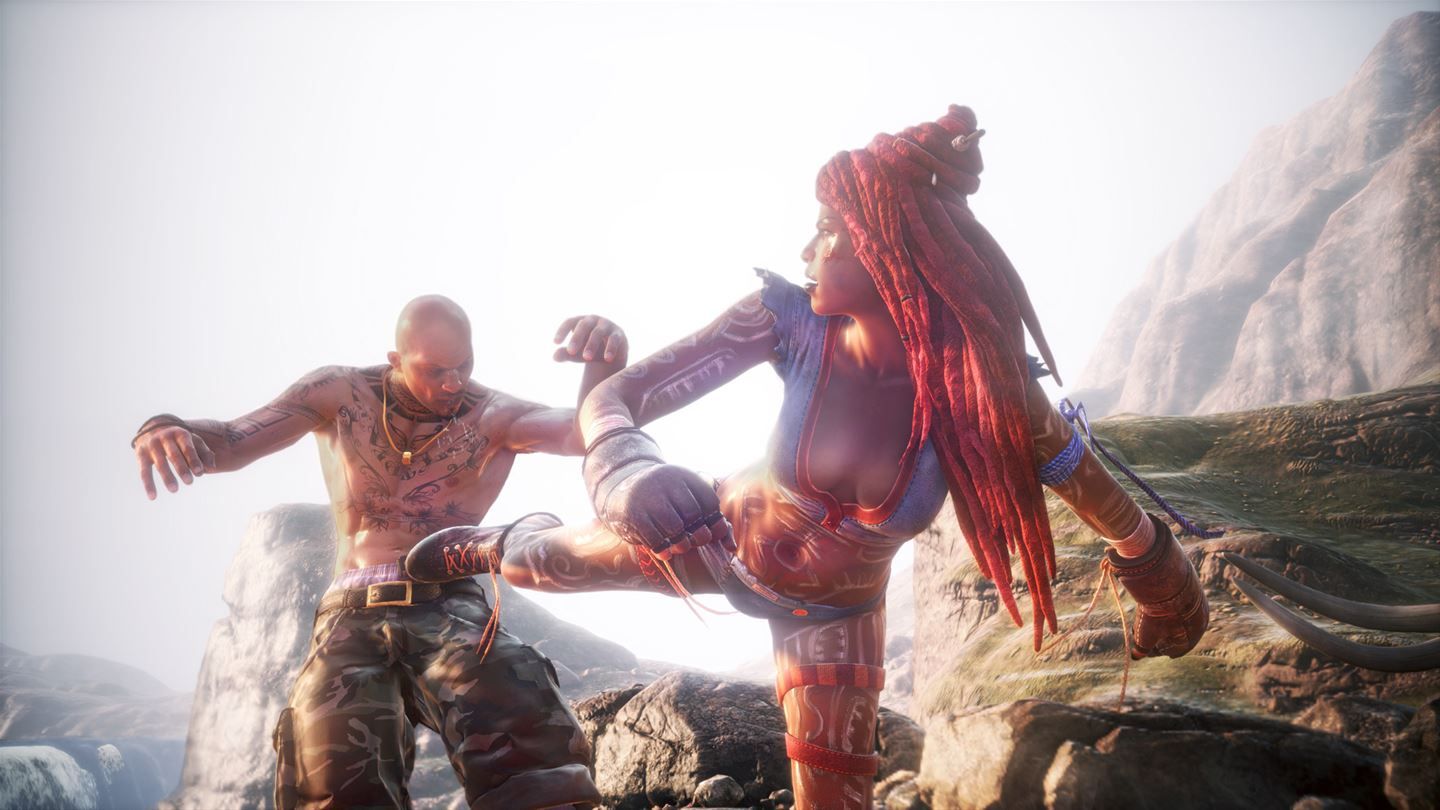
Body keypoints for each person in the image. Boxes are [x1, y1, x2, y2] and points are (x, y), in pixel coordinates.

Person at [407, 106, 1209, 810]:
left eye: (828, 230)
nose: (806, 248)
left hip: (836, 621)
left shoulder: (983, 386)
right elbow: (618, 397)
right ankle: (497, 541)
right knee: (538, 565)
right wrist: (626, 473)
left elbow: (1081, 481)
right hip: (708, 539)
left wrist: (1161, 582)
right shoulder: (783, 319)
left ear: (891, 247)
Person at [131, 295, 627, 809]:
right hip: (349, 611)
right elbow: (233, 440)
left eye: (463, 366)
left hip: (447, 601)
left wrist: (605, 363)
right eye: (435, 371)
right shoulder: (341, 393)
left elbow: (583, 432)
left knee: (526, 730)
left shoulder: (494, 415)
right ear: (397, 360)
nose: (453, 383)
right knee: (330, 776)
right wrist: (162, 428)